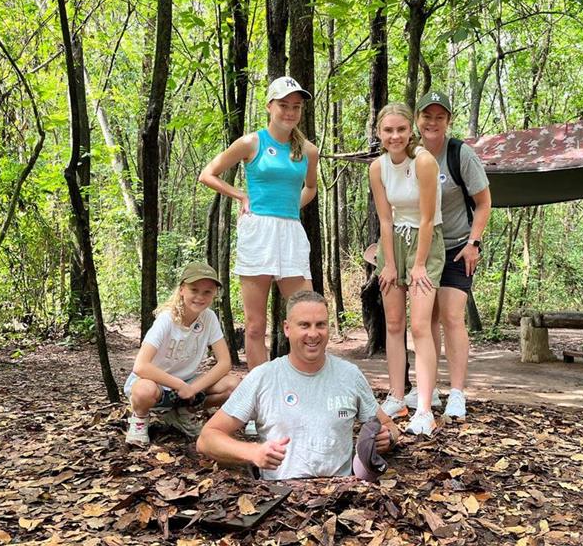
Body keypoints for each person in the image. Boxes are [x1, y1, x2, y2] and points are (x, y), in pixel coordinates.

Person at [196, 290, 399, 480]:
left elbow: (389, 425)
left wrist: (388, 437)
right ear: (287, 328)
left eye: (320, 324)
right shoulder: (264, 377)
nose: (313, 334)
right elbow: (207, 438)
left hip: (340, 493)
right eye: (304, 325)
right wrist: (252, 452)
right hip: (280, 496)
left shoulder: (349, 375)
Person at [198, 76, 319, 374]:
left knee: (308, 317)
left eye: (296, 107)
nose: (290, 112)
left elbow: (311, 188)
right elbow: (208, 174)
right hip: (258, 231)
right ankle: (259, 397)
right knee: (255, 325)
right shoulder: (252, 142)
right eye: (283, 105)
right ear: (270, 106)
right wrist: (240, 195)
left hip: (290, 231)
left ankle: (303, 385)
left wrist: (290, 207)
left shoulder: (308, 150)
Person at [407, 90, 491, 418]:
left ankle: (457, 392)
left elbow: (483, 203)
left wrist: (474, 243)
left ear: (448, 122)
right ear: (418, 120)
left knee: (452, 317)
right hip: (423, 249)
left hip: (457, 246)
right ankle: (428, 390)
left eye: (439, 117)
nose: (432, 122)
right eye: (427, 116)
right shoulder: (408, 153)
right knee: (425, 321)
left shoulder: (460, 155)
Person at [369, 103, 445, 436]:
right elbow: (386, 219)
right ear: (379, 133)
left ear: (410, 131)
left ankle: (425, 408)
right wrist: (387, 263)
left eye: (400, 129)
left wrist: (417, 265)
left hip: (425, 244)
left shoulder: (424, 162)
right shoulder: (377, 168)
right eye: (388, 130)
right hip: (394, 242)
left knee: (420, 326)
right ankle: (397, 395)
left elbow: (428, 218)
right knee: (394, 322)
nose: (395, 136)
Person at [124, 262, 240, 445]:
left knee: (233, 385)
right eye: (194, 290)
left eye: (207, 292)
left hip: (188, 383)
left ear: (214, 294)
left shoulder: (209, 318)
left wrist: (192, 388)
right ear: (182, 290)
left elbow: (224, 362)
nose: (200, 297)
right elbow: (141, 366)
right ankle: (139, 419)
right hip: (156, 383)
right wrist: (179, 385)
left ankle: (183, 414)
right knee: (144, 391)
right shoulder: (167, 319)